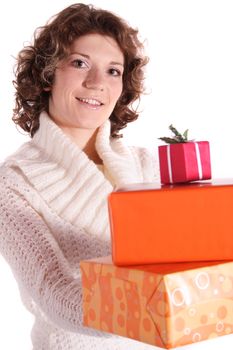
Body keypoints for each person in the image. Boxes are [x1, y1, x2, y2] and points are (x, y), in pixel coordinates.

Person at [0, 3, 159, 349]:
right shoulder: (13, 183)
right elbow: (50, 289)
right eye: (79, 63)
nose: (96, 82)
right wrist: (145, 312)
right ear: (47, 75)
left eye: (113, 71)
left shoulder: (148, 165)